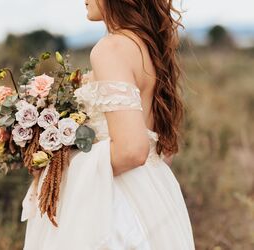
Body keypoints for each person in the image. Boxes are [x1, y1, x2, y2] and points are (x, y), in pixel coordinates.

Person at [20, 0, 195, 249]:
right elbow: (160, 148)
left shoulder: (111, 49)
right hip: (152, 193)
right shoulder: (146, 46)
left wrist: (60, 167)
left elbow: (132, 150)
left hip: (114, 204)